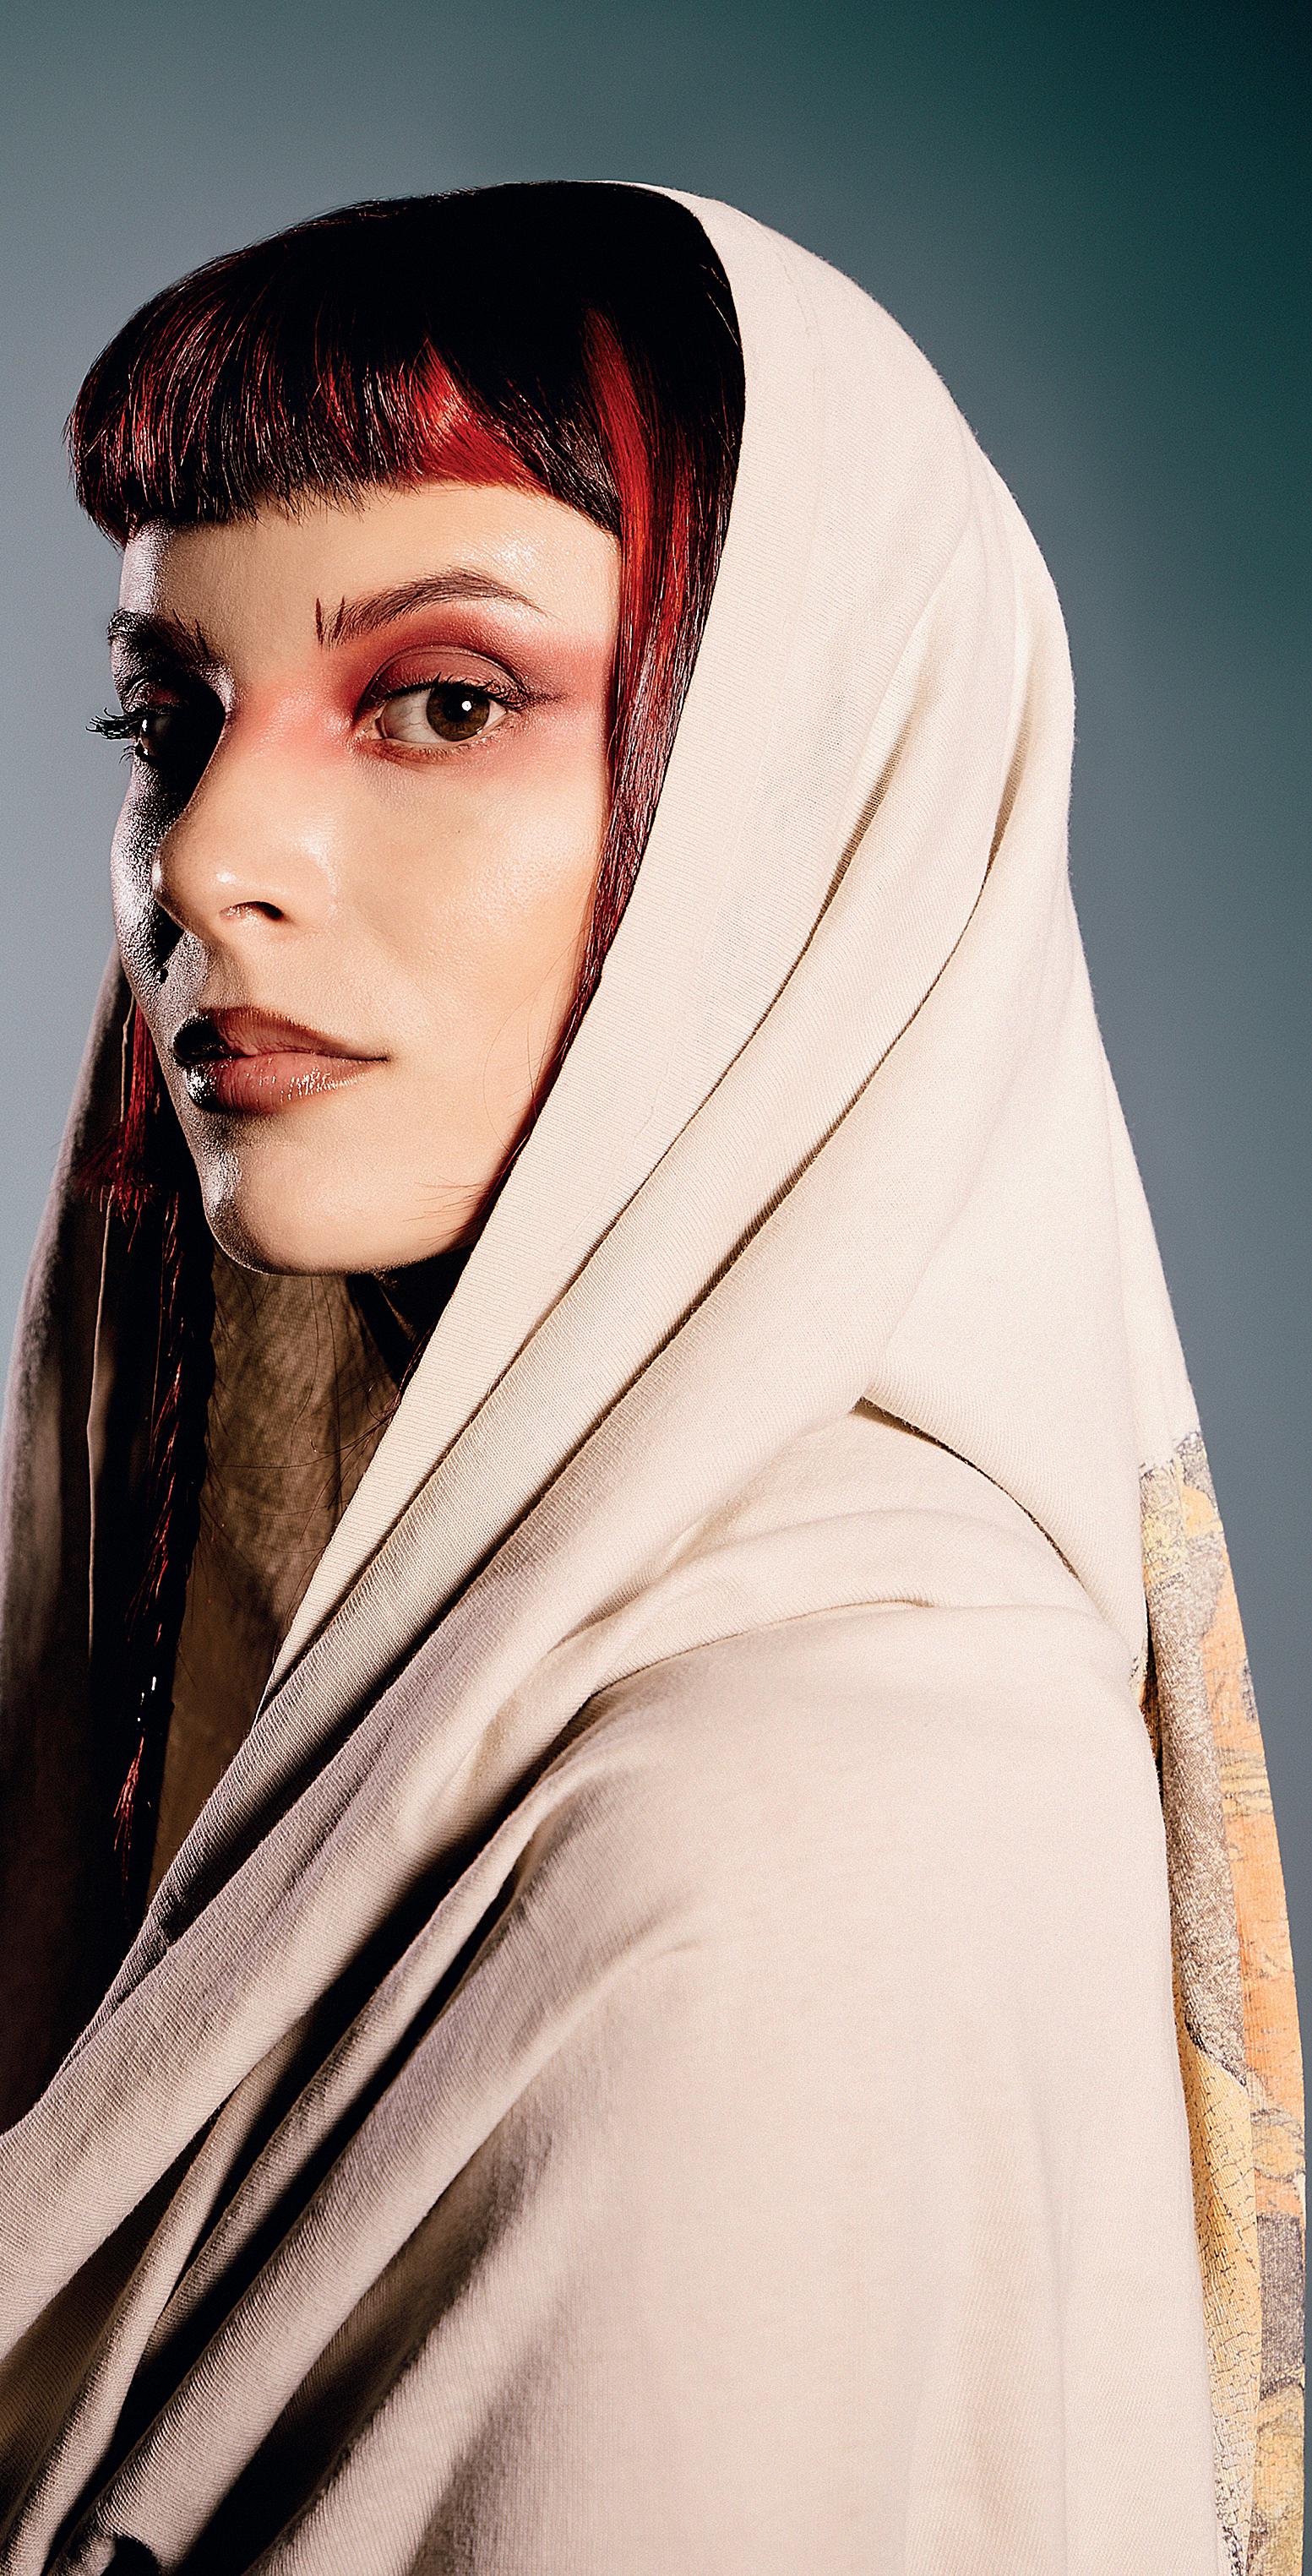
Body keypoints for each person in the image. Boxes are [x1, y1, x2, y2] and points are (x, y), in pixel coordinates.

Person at [0, 180, 1300, 2574]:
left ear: (805, 803)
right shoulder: (497, 1669)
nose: (206, 860)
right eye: (167, 719)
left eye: (444, 699)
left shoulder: (775, 1842)